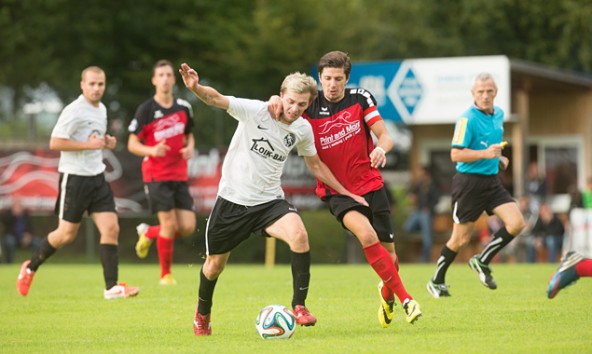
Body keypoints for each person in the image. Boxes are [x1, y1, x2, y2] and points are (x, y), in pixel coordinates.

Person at [179, 62, 368, 336]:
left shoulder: (303, 129)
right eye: (290, 101)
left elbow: (315, 166)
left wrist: (346, 192)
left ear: (308, 104)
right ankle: (202, 314)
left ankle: (299, 306)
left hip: (269, 202)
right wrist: (195, 88)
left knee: (300, 235)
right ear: (281, 94)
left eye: (302, 105)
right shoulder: (256, 110)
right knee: (214, 267)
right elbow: (215, 98)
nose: (294, 109)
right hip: (232, 201)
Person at [269, 51, 422, 328]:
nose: (332, 84)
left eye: (338, 78)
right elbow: (284, 103)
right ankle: (406, 299)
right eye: (327, 78)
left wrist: (380, 149)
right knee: (366, 234)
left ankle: (387, 296)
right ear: (319, 78)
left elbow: (385, 136)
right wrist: (273, 99)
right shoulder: (310, 105)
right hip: (336, 191)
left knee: (391, 258)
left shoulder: (360, 98)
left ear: (347, 78)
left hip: (371, 184)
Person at [16, 66, 139, 299]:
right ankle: (30, 267)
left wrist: (106, 142)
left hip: (97, 177)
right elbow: (55, 142)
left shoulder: (101, 109)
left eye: (100, 84)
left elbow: (93, 139)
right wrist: (89, 145)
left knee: (111, 228)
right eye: (91, 84)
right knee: (66, 234)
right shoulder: (74, 110)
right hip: (75, 179)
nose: (96, 88)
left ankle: (111, 288)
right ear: (82, 85)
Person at [426, 72, 525, 298]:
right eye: (480, 92)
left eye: (489, 91)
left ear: (496, 93)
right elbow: (455, 154)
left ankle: (482, 260)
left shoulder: (498, 114)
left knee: (517, 223)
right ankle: (436, 280)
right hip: (468, 185)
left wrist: (497, 159)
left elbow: (490, 147)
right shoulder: (466, 119)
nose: (485, 95)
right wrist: (485, 154)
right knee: (459, 239)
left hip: (492, 182)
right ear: (473, 94)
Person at [127, 59, 196, 285]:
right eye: (161, 75)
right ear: (154, 80)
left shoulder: (184, 107)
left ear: (174, 79)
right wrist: (152, 150)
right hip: (156, 175)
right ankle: (165, 275)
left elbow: (189, 134)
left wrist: (190, 147)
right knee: (169, 225)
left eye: (169, 74)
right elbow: (132, 144)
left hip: (179, 174)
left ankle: (149, 233)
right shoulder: (146, 110)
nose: (165, 78)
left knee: (186, 226)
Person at [403, 165, 441, 263]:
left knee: (427, 237)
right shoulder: (419, 184)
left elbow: (436, 200)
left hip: (427, 213)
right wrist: (412, 197)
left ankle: (425, 260)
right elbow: (411, 195)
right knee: (407, 228)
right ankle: (421, 227)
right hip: (417, 211)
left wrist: (428, 208)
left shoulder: (433, 185)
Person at [1, 197, 40, 263]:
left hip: (24, 237)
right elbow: (5, 224)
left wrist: (28, 236)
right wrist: (14, 215)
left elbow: (31, 227)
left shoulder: (26, 215)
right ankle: (9, 263)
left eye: (19, 204)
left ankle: (35, 262)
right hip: (12, 236)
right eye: (16, 205)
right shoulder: (9, 214)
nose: (18, 207)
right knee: (9, 241)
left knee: (37, 242)